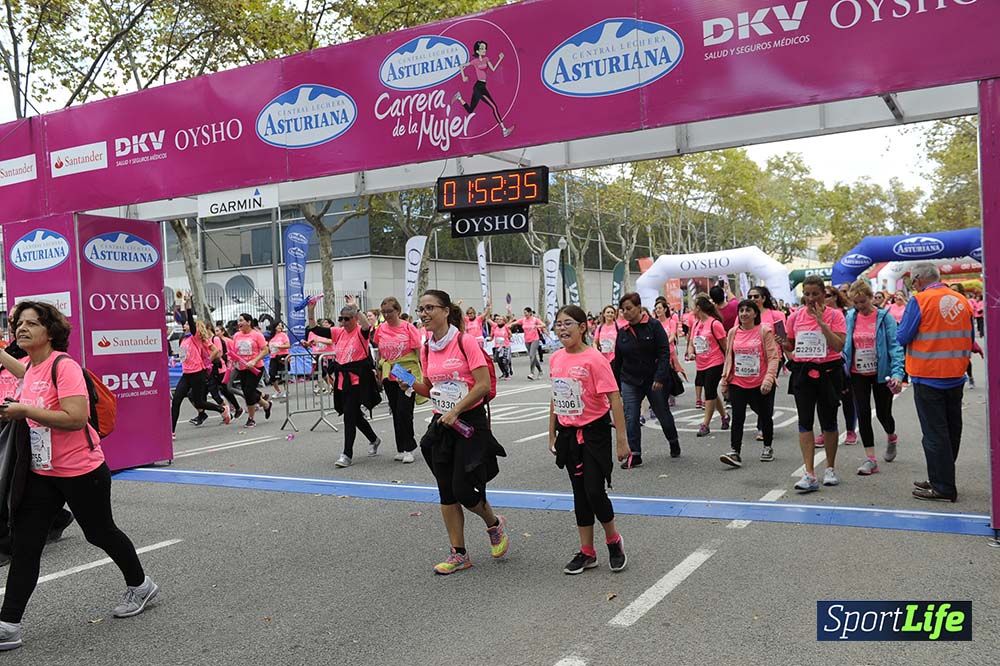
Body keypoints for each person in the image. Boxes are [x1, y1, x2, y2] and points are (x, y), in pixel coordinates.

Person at [0, 302, 159, 651]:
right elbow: (22, 371)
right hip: (42, 472)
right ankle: (9, 624)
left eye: (30, 324)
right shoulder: (31, 365)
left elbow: (75, 417)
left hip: (81, 470)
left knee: (100, 533)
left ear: (50, 332)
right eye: (17, 324)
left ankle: (141, 584)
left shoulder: (64, 366)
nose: (21, 329)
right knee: (26, 544)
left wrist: (24, 410)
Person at [401, 289, 508, 575]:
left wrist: (457, 410)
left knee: (463, 488)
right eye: (421, 309)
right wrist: (411, 384)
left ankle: (494, 524)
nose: (423, 314)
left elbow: (483, 385)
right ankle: (458, 553)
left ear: (446, 311)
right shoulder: (425, 348)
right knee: (446, 491)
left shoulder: (465, 342)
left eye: (429, 308)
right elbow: (431, 390)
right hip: (443, 423)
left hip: (470, 422)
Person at [547, 305, 629, 574]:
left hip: (595, 434)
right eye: (558, 323)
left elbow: (614, 398)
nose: (562, 328)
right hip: (569, 434)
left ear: (583, 327)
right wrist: (552, 432)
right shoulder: (556, 359)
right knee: (579, 494)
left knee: (594, 490)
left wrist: (622, 440)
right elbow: (556, 398)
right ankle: (587, 552)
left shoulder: (595, 359)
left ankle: (613, 540)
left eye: (568, 323)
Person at [897, 263, 976, 502]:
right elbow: (970, 337)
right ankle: (941, 476)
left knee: (934, 433)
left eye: (912, 279)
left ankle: (942, 486)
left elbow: (903, 336)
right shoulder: (961, 300)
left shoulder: (920, 301)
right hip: (955, 374)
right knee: (952, 430)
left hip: (928, 375)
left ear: (919, 279)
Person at [776, 276, 847, 493]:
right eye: (806, 294)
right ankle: (809, 473)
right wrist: (783, 343)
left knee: (829, 422)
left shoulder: (835, 315)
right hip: (804, 372)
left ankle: (830, 468)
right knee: (805, 422)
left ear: (823, 294)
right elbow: (790, 344)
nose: (810, 298)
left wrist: (822, 323)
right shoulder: (795, 317)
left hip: (829, 371)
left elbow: (838, 345)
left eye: (814, 294)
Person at [842, 279, 904, 476]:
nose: (860, 306)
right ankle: (870, 459)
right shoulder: (850, 317)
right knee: (863, 413)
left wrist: (897, 373)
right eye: (856, 302)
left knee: (884, 414)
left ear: (871, 298)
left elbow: (895, 346)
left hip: (881, 372)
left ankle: (891, 437)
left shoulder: (885, 318)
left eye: (863, 301)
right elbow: (845, 344)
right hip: (857, 372)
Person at [612, 293, 681, 468]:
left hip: (653, 380)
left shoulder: (654, 326)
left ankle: (673, 441)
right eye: (623, 310)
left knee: (662, 413)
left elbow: (664, 352)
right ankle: (635, 454)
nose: (625, 313)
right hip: (630, 380)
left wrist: (660, 377)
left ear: (639, 307)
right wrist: (615, 386)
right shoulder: (622, 332)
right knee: (631, 416)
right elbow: (618, 361)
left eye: (629, 308)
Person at [718, 300, 780, 467]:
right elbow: (729, 358)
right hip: (738, 382)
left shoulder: (764, 331)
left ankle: (768, 446)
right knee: (738, 417)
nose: (744, 313)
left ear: (755, 313)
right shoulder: (732, 332)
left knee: (765, 415)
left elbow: (774, 357)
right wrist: (725, 380)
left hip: (761, 383)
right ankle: (735, 452)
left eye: (748, 310)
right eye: (741, 310)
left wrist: (769, 379)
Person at [331, 297, 381, 468]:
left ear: (354, 318)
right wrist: (310, 311)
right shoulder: (338, 333)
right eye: (341, 318)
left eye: (347, 318)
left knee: (350, 417)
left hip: (357, 381)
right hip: (342, 382)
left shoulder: (361, 331)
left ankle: (347, 454)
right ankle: (374, 439)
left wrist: (356, 308)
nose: (343, 322)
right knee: (354, 416)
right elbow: (316, 329)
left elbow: (367, 326)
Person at [372, 297, 422, 464]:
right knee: (395, 410)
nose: (387, 315)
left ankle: (409, 448)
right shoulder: (381, 329)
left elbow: (418, 352)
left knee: (404, 410)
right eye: (384, 312)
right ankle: (401, 448)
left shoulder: (409, 328)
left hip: (406, 372)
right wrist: (379, 369)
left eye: (390, 312)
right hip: (389, 372)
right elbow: (379, 351)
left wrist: (424, 372)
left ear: (398, 311)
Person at [171, 317, 229, 434]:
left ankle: (222, 409)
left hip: (198, 374)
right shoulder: (183, 339)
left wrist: (207, 361)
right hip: (186, 374)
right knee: (176, 401)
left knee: (199, 402)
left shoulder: (195, 337)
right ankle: (171, 431)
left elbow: (216, 350)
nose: (184, 325)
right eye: (184, 324)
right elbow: (184, 356)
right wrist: (176, 360)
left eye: (187, 324)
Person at [685, 296, 730, 437]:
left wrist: (729, 364)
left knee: (709, 391)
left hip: (715, 362)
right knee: (710, 391)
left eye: (694, 306)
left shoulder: (715, 324)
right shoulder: (697, 324)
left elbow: (725, 346)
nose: (692, 309)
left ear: (699, 308)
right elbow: (692, 342)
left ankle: (705, 424)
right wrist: (691, 353)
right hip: (701, 363)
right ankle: (724, 416)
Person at [453, 40, 514, 137]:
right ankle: (504, 130)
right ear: (477, 51)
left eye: (485, 48)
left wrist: (500, 59)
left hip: (482, 86)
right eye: (481, 48)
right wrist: (463, 76)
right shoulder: (474, 61)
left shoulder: (486, 59)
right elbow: (461, 66)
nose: (484, 50)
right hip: (479, 87)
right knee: (494, 107)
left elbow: (493, 69)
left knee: (470, 110)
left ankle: (459, 97)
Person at [822, 286, 858, 447]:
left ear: (835, 297)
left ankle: (850, 430)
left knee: (847, 398)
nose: (824, 298)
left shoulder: (847, 314)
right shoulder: (818, 314)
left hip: (845, 360)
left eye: (827, 295)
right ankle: (826, 431)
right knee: (826, 400)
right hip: (824, 361)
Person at [231, 313, 273, 428]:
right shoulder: (236, 336)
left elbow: (265, 350)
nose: (239, 323)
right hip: (242, 367)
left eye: (241, 320)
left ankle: (251, 419)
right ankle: (266, 404)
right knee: (247, 391)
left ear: (248, 322)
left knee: (249, 391)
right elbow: (235, 351)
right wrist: (233, 360)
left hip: (255, 367)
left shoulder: (257, 335)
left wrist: (254, 360)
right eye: (238, 321)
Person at [515, 307, 546, 380]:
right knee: (533, 357)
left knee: (531, 355)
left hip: (535, 339)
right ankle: (540, 371)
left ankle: (532, 373)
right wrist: (509, 325)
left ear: (530, 313)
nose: (525, 314)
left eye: (526, 312)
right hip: (527, 340)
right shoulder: (523, 320)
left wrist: (537, 326)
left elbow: (543, 325)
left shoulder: (535, 319)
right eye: (524, 313)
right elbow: (515, 322)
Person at [267, 322, 291, 399]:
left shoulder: (284, 335)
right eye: (278, 325)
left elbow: (288, 345)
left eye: (281, 325)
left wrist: (279, 346)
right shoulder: (271, 336)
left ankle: (286, 390)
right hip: (273, 356)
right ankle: (277, 390)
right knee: (272, 374)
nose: (280, 327)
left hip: (282, 355)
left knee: (283, 373)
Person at [491, 314, 513, 379]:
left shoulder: (506, 327)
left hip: (505, 346)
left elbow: (510, 334)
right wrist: (489, 339)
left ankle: (507, 374)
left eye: (501, 320)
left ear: (504, 321)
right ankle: (503, 372)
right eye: (498, 320)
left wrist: (509, 336)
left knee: (504, 360)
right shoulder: (494, 327)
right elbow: (492, 336)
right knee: (498, 360)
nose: (499, 321)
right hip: (497, 346)